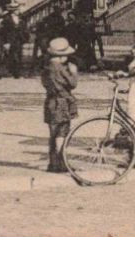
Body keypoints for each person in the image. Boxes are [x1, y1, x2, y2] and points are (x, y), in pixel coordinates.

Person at [41, 37, 79, 172]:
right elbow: (73, 83)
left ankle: (53, 163)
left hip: (50, 101)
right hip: (62, 102)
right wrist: (73, 72)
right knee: (63, 132)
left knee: (52, 133)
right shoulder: (60, 68)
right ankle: (62, 162)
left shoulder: (47, 68)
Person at [0, 10, 27, 79]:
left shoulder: (20, 19)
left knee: (18, 55)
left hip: (18, 40)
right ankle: (13, 72)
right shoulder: (7, 20)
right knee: (12, 56)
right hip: (10, 40)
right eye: (17, 9)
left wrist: (24, 38)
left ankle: (16, 73)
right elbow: (3, 32)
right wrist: (5, 42)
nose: (18, 11)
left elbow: (24, 29)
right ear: (13, 11)